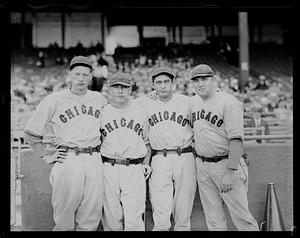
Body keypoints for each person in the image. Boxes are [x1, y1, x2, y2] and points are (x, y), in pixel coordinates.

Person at [24, 56, 107, 231]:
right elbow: (31, 132)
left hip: (94, 158)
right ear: (69, 75)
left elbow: (121, 111)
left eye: (85, 75)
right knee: (63, 215)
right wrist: (45, 154)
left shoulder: (99, 99)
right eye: (77, 74)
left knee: (91, 215)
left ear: (91, 76)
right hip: (68, 158)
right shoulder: (55, 99)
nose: (81, 78)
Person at [189, 64, 259, 231]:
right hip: (202, 165)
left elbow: (236, 140)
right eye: (196, 80)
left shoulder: (229, 102)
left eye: (204, 79)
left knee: (242, 218)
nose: (200, 83)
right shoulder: (192, 102)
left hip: (226, 164)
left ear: (214, 80)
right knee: (213, 220)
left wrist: (230, 171)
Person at [135, 66, 197, 231]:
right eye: (159, 82)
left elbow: (211, 98)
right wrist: (147, 97)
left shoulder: (187, 101)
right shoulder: (144, 102)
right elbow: (122, 103)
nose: (163, 86)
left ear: (173, 83)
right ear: (153, 85)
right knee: (160, 210)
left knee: (183, 211)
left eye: (166, 82)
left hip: (184, 155)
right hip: (159, 158)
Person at [100, 72, 152, 231]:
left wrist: (146, 163)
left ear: (130, 90)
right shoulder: (101, 112)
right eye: (116, 87)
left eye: (124, 87)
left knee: (135, 218)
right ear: (109, 90)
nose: (120, 91)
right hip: (108, 166)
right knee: (111, 217)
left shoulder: (140, 111)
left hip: (134, 167)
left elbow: (147, 143)